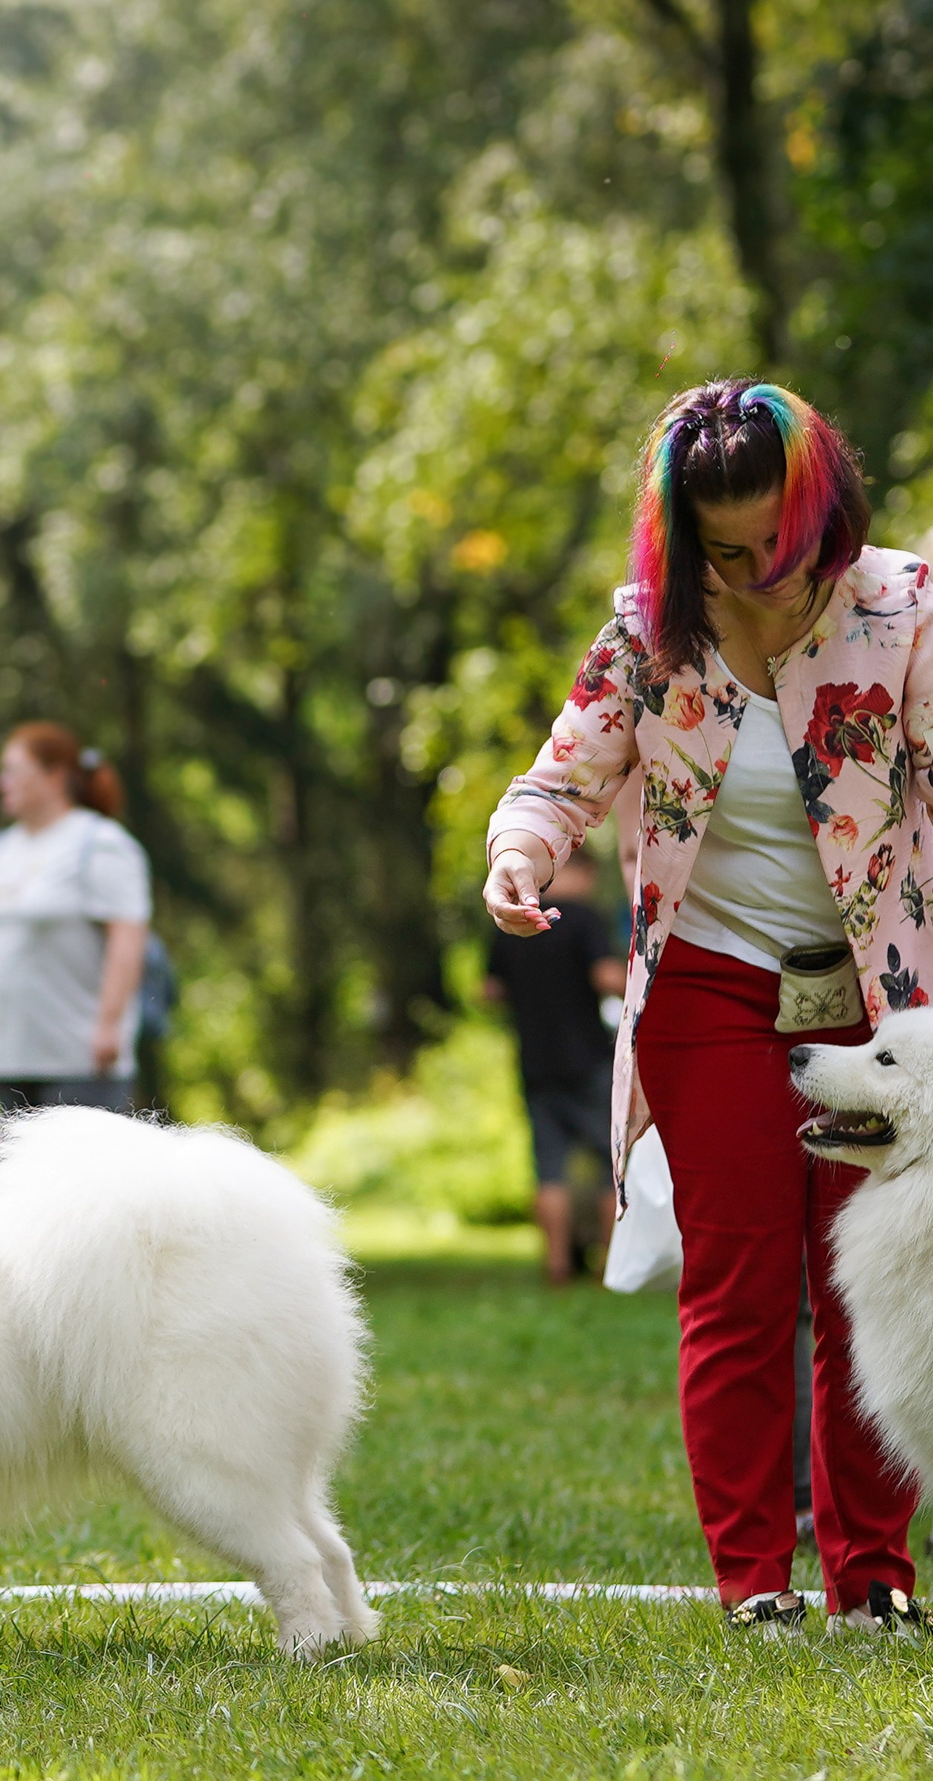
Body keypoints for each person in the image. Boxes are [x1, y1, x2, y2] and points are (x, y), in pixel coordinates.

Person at [483, 376, 930, 1634]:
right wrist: (517, 856)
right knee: (739, 1281)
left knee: (871, 1279)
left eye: (777, 545)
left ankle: (872, 1576)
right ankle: (752, 1582)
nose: (757, 575)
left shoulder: (904, 607)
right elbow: (556, 782)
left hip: (878, 996)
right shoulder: (646, 633)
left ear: (821, 512)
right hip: (710, 985)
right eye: (723, 552)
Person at [0, 724, 152, 1115]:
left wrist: (110, 1024)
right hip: (4, 1058)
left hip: (80, 1060)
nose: (1, 782)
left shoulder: (99, 843)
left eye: (12, 770)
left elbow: (128, 937)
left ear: (54, 776)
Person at [484, 847, 625, 1284]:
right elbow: (605, 977)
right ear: (579, 872)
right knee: (609, 1166)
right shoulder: (584, 918)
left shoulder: (513, 921)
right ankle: (610, 1267)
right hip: (588, 1059)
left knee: (549, 1168)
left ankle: (557, 1265)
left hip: (536, 1061)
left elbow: (489, 991)